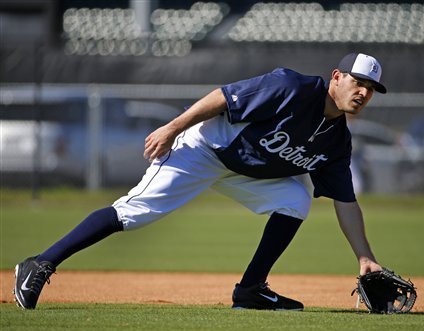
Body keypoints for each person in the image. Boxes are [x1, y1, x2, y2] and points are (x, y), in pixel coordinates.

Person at [14, 52, 386, 311]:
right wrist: (172, 128)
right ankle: (39, 263)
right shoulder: (292, 87)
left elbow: (345, 201)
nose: (363, 93)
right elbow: (223, 97)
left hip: (245, 173)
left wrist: (365, 256)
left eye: (371, 88)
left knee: (295, 198)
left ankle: (251, 290)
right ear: (336, 78)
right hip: (204, 150)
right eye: (358, 82)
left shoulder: (337, 142)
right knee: (134, 213)